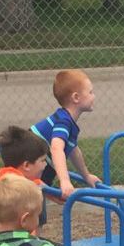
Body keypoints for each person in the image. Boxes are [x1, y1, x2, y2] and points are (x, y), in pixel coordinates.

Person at [0, 126, 84, 246]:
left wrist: (55, 194)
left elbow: (40, 186)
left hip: (21, 243)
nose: (45, 165)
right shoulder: (6, 180)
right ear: (26, 165)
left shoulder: (29, 180)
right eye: (43, 160)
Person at [30, 69, 102, 203]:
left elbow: (73, 150)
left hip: (36, 174)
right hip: (28, 173)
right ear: (76, 97)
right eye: (90, 92)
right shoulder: (63, 122)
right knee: (31, 218)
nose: (94, 96)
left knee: (35, 217)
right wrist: (65, 181)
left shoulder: (66, 120)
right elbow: (57, 148)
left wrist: (86, 176)